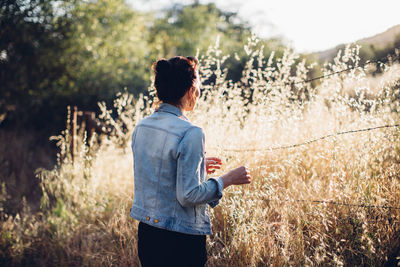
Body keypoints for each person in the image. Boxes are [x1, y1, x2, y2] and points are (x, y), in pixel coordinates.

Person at [129, 56, 251, 267]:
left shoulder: (142, 126)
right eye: (199, 84)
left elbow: (154, 170)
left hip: (148, 234)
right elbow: (188, 195)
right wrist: (227, 179)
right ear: (190, 89)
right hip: (180, 240)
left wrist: (196, 167)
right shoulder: (191, 133)